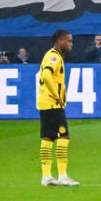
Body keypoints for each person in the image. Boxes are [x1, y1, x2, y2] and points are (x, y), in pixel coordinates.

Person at [36, 28, 76, 187]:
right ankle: (62, 175)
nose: (71, 44)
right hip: (52, 103)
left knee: (47, 138)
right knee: (63, 137)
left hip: (45, 103)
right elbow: (46, 75)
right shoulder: (54, 56)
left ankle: (46, 177)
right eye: (69, 41)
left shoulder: (52, 55)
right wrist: (57, 96)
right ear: (61, 42)